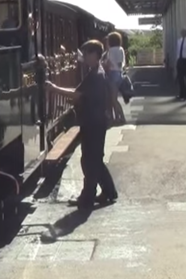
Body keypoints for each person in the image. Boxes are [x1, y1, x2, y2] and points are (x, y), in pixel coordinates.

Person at [45, 39, 118, 209]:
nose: (83, 57)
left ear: (95, 55)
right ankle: (109, 191)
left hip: (93, 122)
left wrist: (54, 88)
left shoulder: (95, 75)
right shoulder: (96, 72)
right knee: (95, 159)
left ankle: (87, 197)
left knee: (89, 160)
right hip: (95, 120)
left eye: (86, 54)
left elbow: (77, 95)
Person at [102, 32, 126, 125]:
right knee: (114, 98)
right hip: (119, 74)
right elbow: (120, 63)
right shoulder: (121, 49)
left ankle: (121, 117)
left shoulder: (111, 50)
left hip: (112, 74)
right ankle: (117, 117)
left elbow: (108, 63)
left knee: (113, 99)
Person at [174, 28, 186, 101]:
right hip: (180, 60)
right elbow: (177, 51)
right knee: (180, 78)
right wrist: (177, 60)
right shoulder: (179, 41)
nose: (182, 33)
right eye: (182, 32)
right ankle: (181, 94)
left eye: (184, 32)